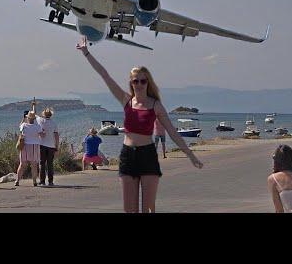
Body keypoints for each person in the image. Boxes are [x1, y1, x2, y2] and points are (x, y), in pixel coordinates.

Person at [77, 36, 203, 213]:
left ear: (148, 83)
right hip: (128, 155)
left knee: (148, 208)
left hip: (148, 155)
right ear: (131, 83)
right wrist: (86, 52)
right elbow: (105, 75)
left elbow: (173, 132)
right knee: (130, 209)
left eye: (143, 81)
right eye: (135, 81)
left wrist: (190, 155)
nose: (139, 84)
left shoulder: (155, 105)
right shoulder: (125, 100)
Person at [32, 101, 60, 186]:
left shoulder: (40, 120)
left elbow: (34, 113)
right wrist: (57, 147)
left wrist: (33, 106)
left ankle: (42, 181)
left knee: (42, 163)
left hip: (41, 145)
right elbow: (56, 136)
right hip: (51, 146)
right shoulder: (54, 123)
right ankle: (51, 181)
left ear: (43, 114)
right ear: (51, 115)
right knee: (50, 164)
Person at [15, 111, 45, 187]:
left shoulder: (24, 125)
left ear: (27, 118)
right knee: (34, 165)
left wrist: (23, 118)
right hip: (34, 146)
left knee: (22, 164)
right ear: (34, 119)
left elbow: (20, 127)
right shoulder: (37, 126)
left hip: (24, 146)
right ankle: (34, 181)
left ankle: (17, 180)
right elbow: (42, 135)